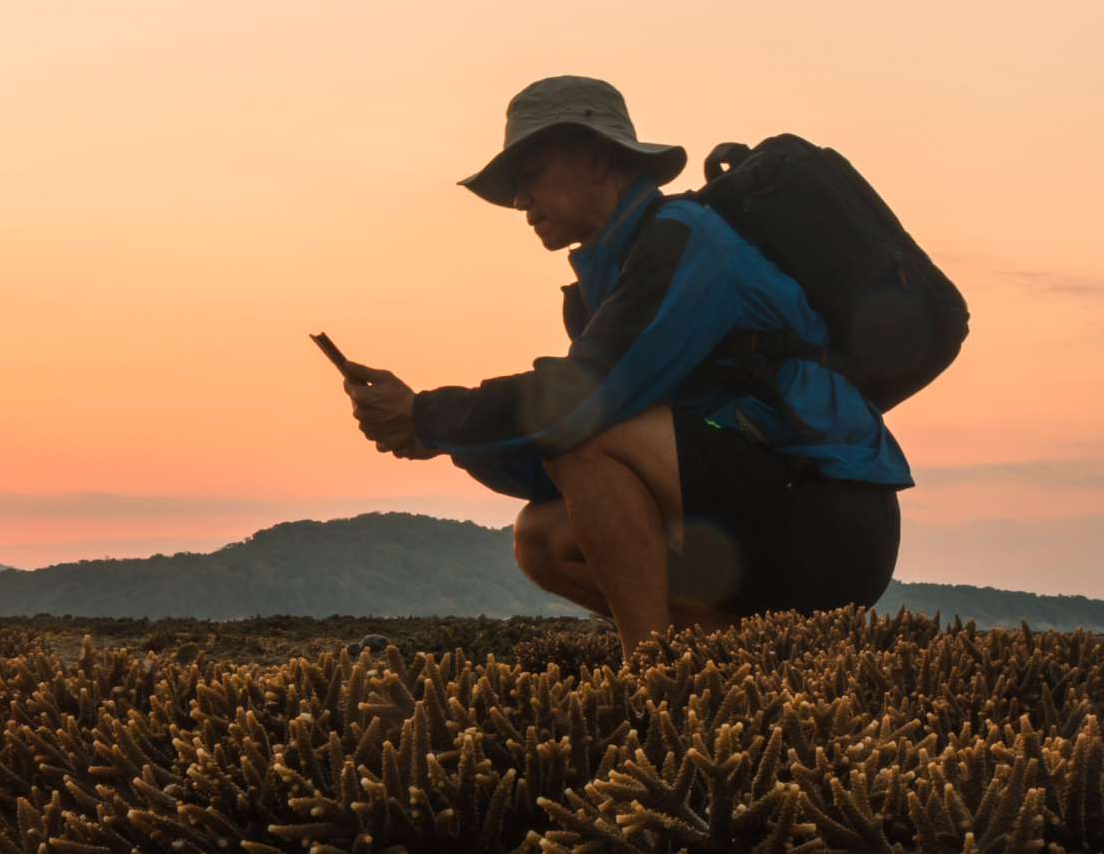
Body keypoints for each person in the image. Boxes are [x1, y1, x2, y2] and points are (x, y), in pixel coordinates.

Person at [335, 75, 912, 650]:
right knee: (541, 537)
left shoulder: (685, 245)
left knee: (587, 434)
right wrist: (442, 435)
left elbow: (579, 409)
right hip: (753, 511)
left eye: (529, 174)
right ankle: (740, 656)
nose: (519, 200)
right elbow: (554, 467)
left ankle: (650, 677)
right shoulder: (611, 277)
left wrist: (428, 416)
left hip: (830, 515)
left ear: (594, 158)